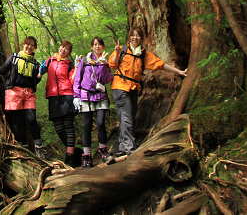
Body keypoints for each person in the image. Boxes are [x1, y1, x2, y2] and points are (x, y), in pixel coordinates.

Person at [108, 26, 187, 157]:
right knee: (126, 117)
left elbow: (160, 64)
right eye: (133, 35)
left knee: (128, 117)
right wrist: (116, 52)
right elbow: (112, 64)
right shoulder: (122, 49)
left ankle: (121, 148)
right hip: (120, 86)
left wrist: (179, 71)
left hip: (134, 88)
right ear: (129, 37)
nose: (135, 37)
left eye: (138, 35)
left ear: (141, 38)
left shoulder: (143, 53)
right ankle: (129, 148)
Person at [0, 36, 46, 159]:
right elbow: (2, 70)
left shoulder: (35, 63)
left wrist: (40, 73)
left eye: (32, 45)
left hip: (29, 93)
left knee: (31, 120)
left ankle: (39, 149)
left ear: (34, 48)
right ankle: (22, 148)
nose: (29, 47)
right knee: (17, 121)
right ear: (23, 44)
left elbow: (35, 82)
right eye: (27, 44)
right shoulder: (14, 58)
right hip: (14, 93)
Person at [73, 37, 114, 169]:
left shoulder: (104, 62)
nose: (97, 46)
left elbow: (107, 79)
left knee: (101, 122)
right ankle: (87, 157)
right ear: (91, 47)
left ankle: (103, 151)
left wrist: (103, 66)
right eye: (95, 44)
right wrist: (76, 96)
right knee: (87, 126)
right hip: (85, 96)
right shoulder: (85, 61)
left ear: (103, 47)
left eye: (99, 44)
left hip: (101, 95)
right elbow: (77, 79)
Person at [42, 41, 77, 166]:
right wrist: (40, 70)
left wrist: (77, 68)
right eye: (62, 47)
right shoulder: (50, 61)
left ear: (69, 52)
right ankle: (74, 151)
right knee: (59, 129)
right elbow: (40, 73)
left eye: (67, 49)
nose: (63, 50)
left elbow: (73, 81)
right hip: (53, 96)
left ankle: (70, 156)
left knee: (68, 127)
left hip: (67, 95)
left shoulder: (69, 64)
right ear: (59, 47)